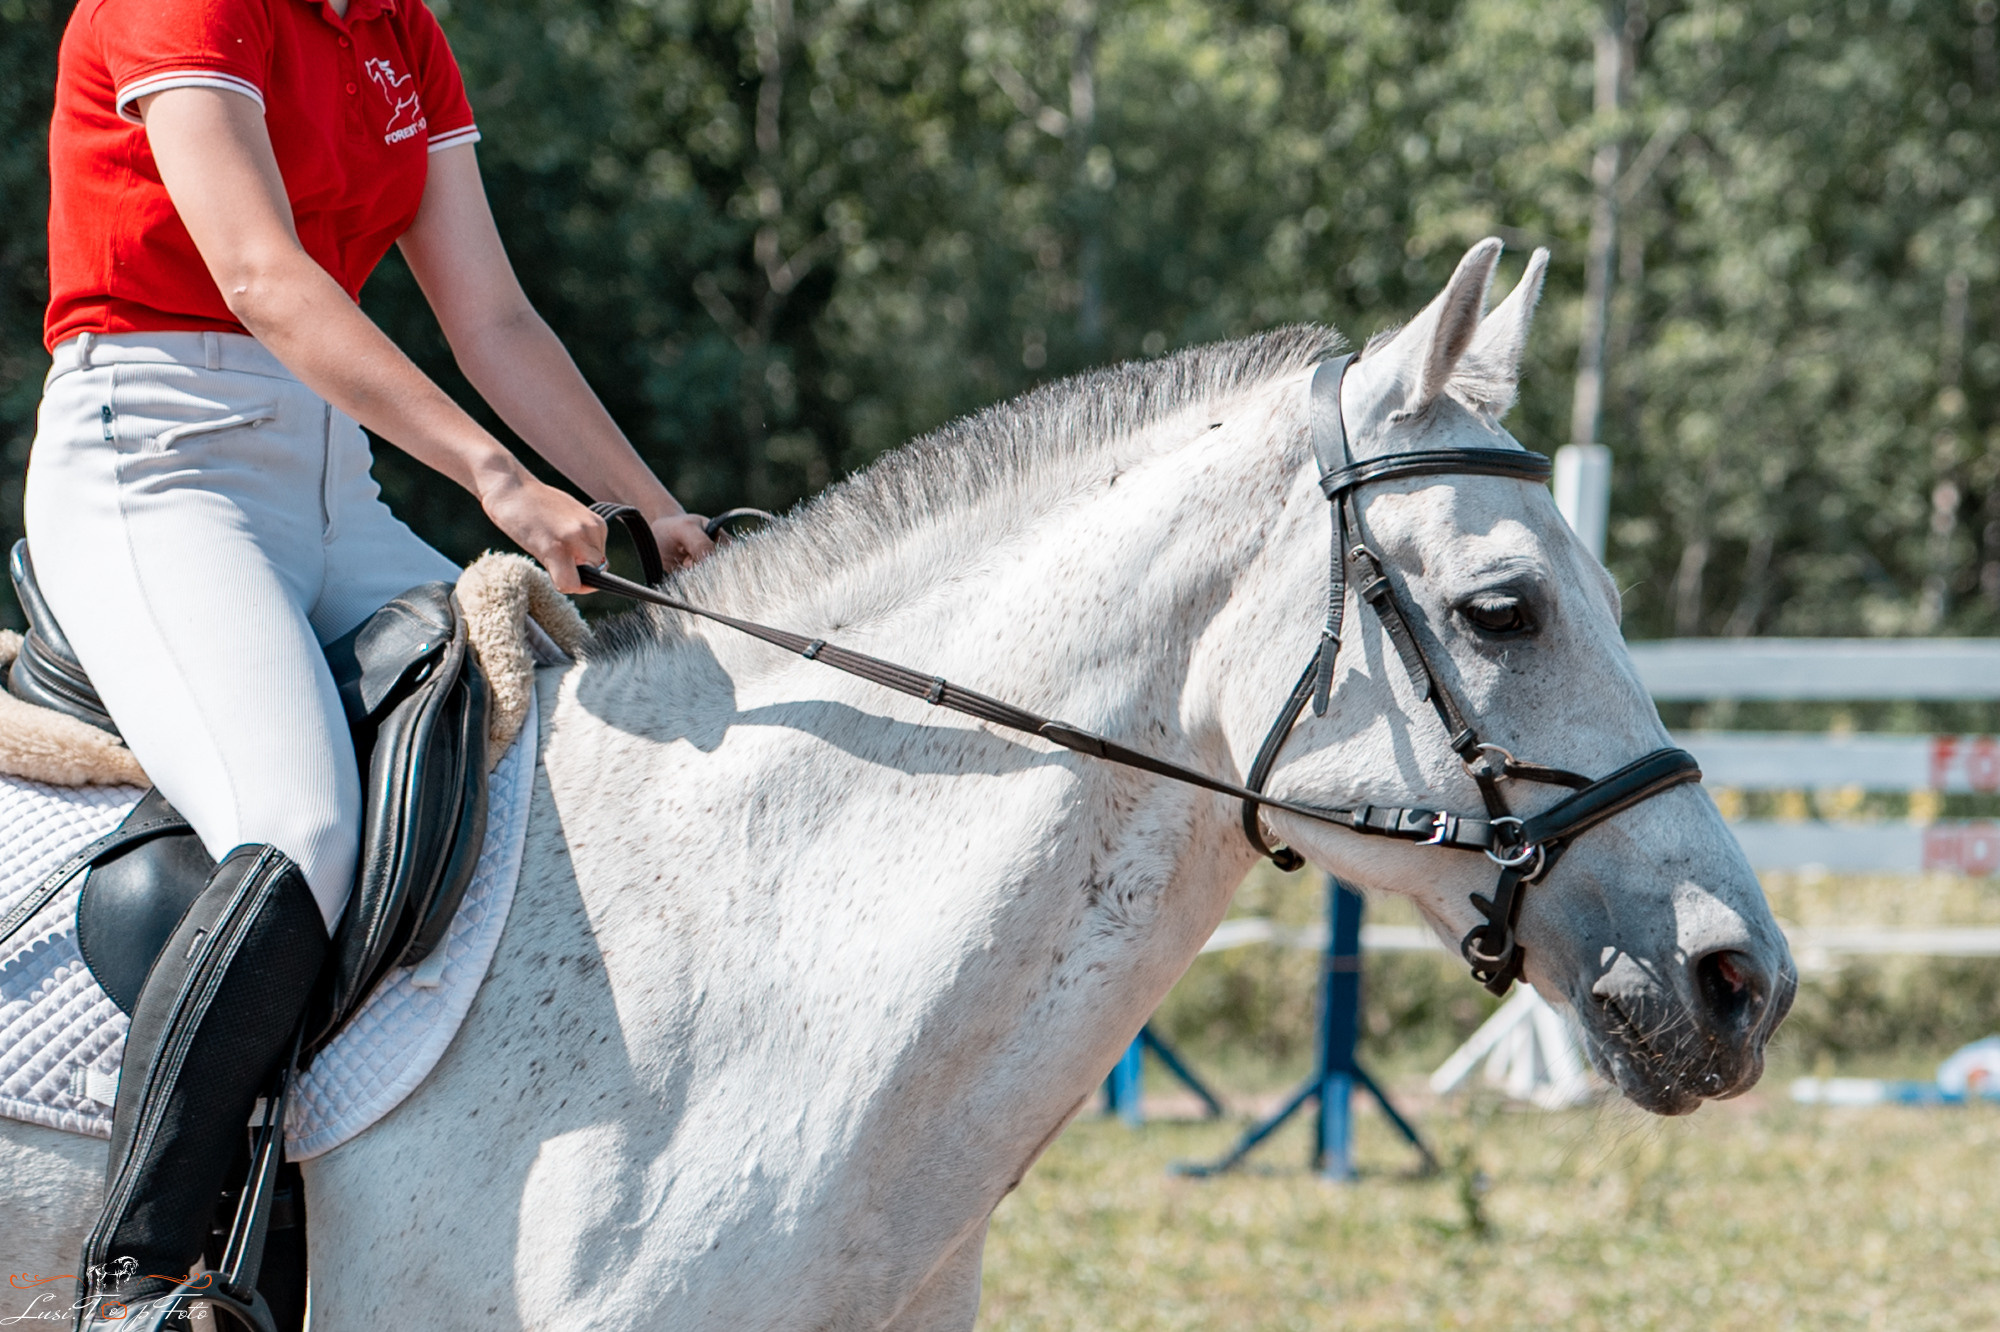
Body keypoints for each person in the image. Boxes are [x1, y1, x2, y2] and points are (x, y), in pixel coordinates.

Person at [26, 0, 710, 1321]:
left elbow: (495, 318)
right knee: (302, 822)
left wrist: (653, 508)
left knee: (558, 763)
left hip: (333, 481)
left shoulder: (402, 31)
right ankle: (138, 1274)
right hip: (157, 465)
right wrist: (499, 482)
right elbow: (263, 277)